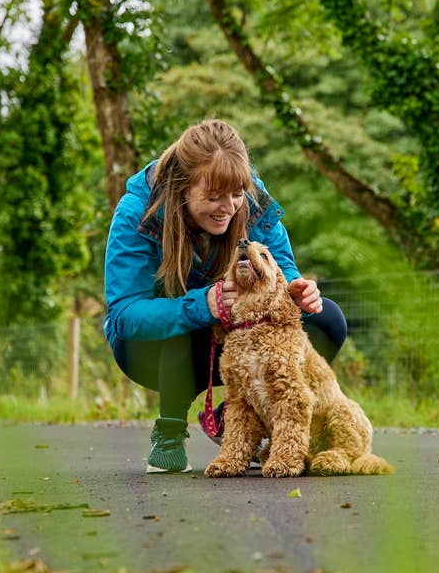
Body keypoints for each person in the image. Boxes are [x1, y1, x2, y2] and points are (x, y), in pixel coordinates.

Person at [103, 118, 348, 473]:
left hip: (242, 337)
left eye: (235, 194)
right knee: (180, 327)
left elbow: (280, 264)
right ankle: (170, 431)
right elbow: (125, 313)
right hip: (154, 348)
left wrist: (294, 288)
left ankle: (246, 416)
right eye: (213, 196)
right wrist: (202, 305)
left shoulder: (249, 197)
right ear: (183, 187)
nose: (228, 206)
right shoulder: (137, 213)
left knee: (327, 320)